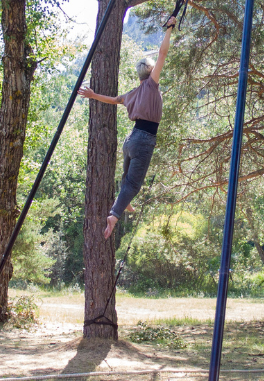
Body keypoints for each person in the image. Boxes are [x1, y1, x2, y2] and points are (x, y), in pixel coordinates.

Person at [78, 16, 176, 239]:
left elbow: (113, 100)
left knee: (126, 180)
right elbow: (162, 54)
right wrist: (169, 28)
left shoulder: (131, 94)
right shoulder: (151, 85)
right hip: (143, 141)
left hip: (130, 141)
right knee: (133, 184)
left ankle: (126, 203)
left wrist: (92, 95)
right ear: (150, 72)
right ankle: (114, 214)